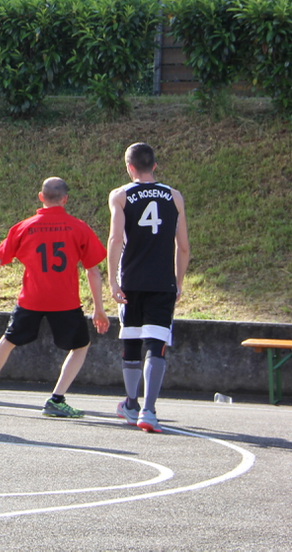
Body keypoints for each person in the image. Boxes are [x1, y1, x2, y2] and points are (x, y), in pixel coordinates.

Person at [0, 177, 109, 417]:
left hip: (32, 298)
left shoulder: (25, 226)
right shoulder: (78, 227)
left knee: (8, 340)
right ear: (65, 199)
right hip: (65, 300)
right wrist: (98, 308)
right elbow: (93, 271)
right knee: (81, 345)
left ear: (41, 197)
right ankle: (56, 399)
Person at [107, 142, 190, 434]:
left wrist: (112, 280)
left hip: (131, 281)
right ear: (154, 165)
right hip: (162, 282)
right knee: (156, 343)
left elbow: (116, 239)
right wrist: (178, 282)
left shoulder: (120, 195)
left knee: (131, 340)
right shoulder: (174, 196)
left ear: (129, 167)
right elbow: (183, 247)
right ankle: (149, 411)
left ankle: (131, 403)